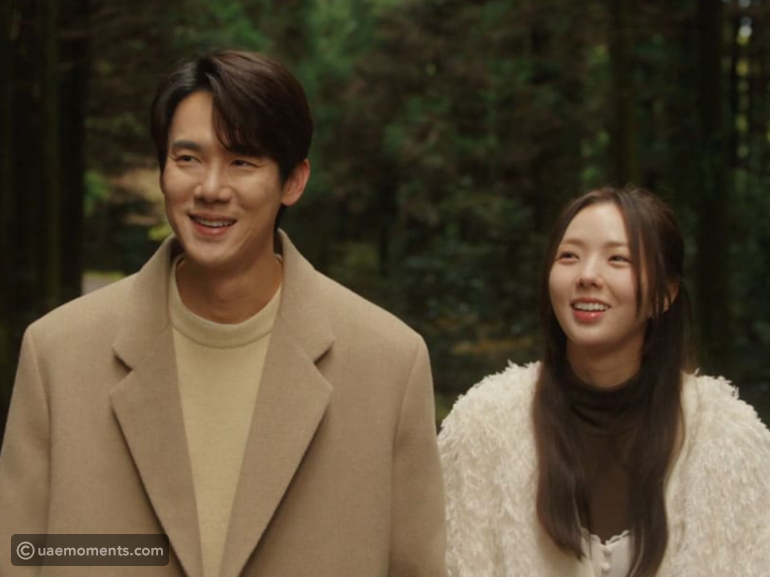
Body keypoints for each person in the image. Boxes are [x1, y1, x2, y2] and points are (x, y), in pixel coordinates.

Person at [0, 51, 447, 577]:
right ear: (163, 170)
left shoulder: (388, 365)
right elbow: (20, 554)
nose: (211, 188)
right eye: (188, 158)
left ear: (293, 181)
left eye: (242, 162)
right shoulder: (58, 355)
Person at [439, 186, 770, 577]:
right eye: (569, 256)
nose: (587, 276)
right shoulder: (484, 424)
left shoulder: (728, 437)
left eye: (618, 259)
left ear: (665, 294)